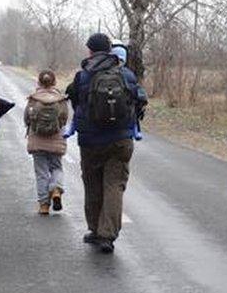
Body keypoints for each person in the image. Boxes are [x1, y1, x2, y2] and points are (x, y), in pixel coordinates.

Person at [67, 33, 143, 254]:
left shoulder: (83, 76)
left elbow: (76, 102)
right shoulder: (126, 74)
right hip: (121, 139)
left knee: (92, 184)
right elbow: (138, 101)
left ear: (90, 50)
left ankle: (94, 229)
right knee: (114, 185)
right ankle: (107, 235)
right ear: (110, 49)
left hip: (90, 140)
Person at [24, 70, 69, 215]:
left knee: (41, 173)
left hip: (37, 142)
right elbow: (64, 120)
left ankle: (44, 205)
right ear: (54, 82)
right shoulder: (60, 99)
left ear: (39, 82)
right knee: (56, 167)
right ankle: (56, 189)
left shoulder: (34, 99)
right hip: (56, 141)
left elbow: (27, 119)